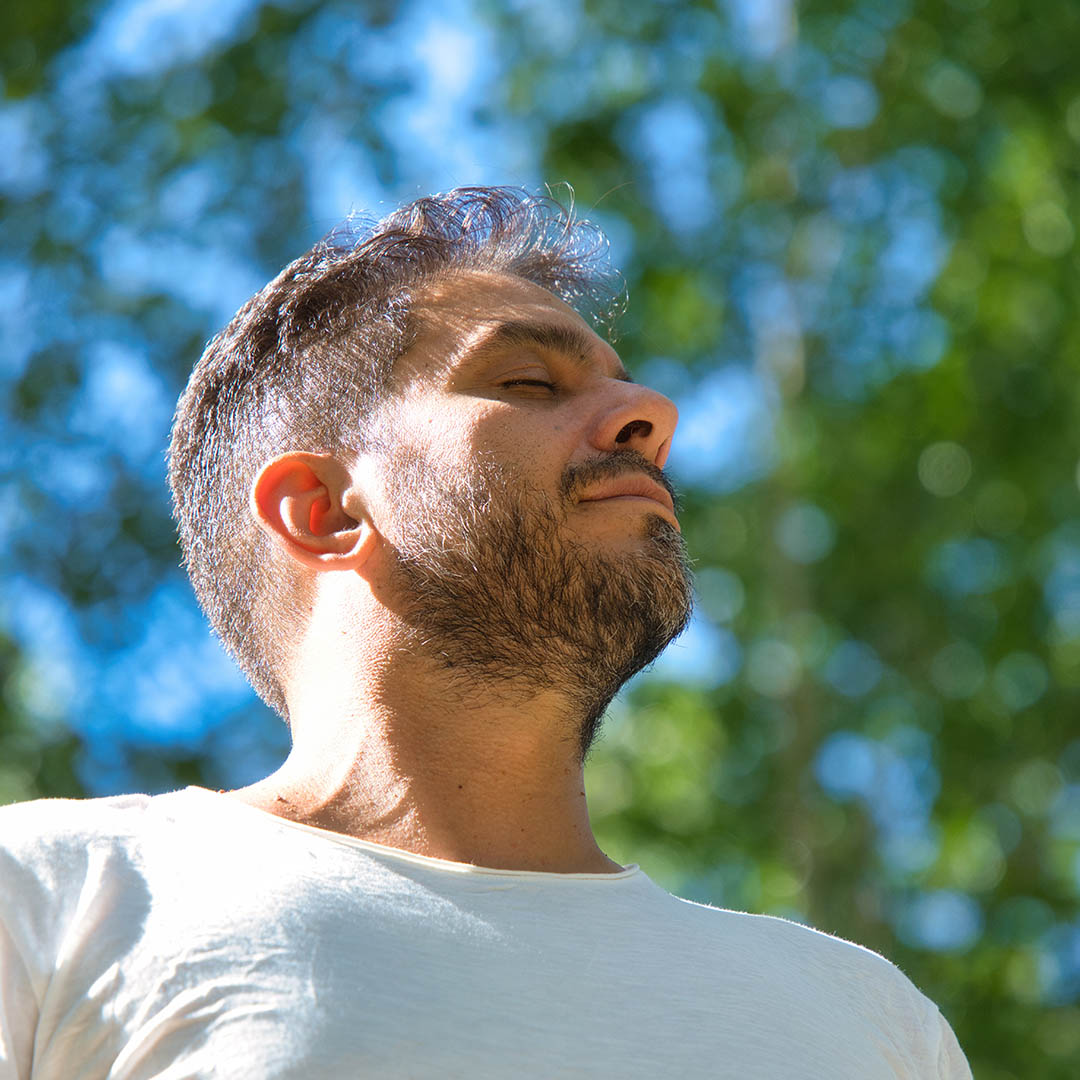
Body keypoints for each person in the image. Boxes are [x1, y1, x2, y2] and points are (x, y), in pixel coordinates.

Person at [0, 187, 970, 1078]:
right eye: (529, 383)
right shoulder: (52, 898)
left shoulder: (872, 1023)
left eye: (625, 386)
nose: (651, 415)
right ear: (325, 508)